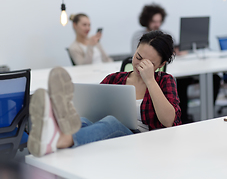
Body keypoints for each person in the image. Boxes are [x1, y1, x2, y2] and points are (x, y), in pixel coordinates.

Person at [27, 31, 181, 157]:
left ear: (161, 64)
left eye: (149, 63)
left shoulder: (165, 81)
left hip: (142, 139)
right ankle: (53, 133)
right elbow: (91, 108)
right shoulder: (115, 79)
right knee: (83, 120)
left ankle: (59, 139)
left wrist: (150, 81)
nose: (140, 64)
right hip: (110, 136)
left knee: (110, 123)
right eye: (138, 57)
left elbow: (168, 121)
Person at [131, 4, 221, 124]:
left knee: (215, 78)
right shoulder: (139, 37)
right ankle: (183, 117)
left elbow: (174, 51)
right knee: (181, 83)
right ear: (146, 20)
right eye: (153, 21)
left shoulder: (166, 35)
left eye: (159, 21)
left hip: (176, 70)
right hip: (151, 75)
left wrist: (178, 51)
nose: (157, 24)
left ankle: (206, 116)